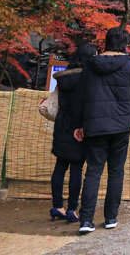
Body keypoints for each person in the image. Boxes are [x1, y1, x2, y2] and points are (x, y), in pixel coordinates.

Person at [72, 27, 130, 233]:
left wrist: (78, 124)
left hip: (94, 125)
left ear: (106, 41)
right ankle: (111, 217)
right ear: (125, 43)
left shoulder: (90, 66)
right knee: (116, 172)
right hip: (121, 126)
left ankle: (86, 221)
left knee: (93, 172)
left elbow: (80, 97)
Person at [49, 43, 96, 223]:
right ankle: (71, 209)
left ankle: (57, 206)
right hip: (79, 125)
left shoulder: (63, 78)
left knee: (60, 166)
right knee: (76, 168)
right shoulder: (87, 78)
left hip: (62, 124)